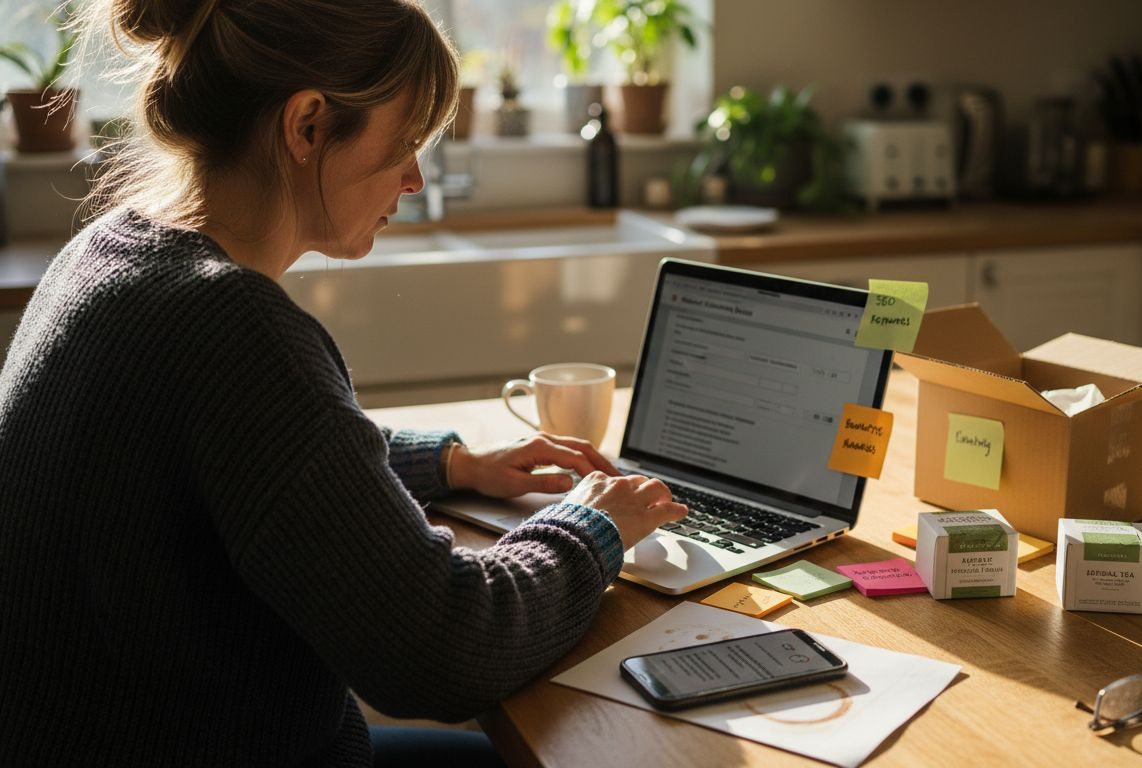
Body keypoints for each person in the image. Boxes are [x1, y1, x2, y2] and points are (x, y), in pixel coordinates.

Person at [0, 1, 687, 765]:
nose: (415, 177)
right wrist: (593, 526)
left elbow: (241, 461)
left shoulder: (107, 253)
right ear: (308, 127)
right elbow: (445, 648)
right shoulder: (231, 324)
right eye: (405, 144)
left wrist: (450, 463)